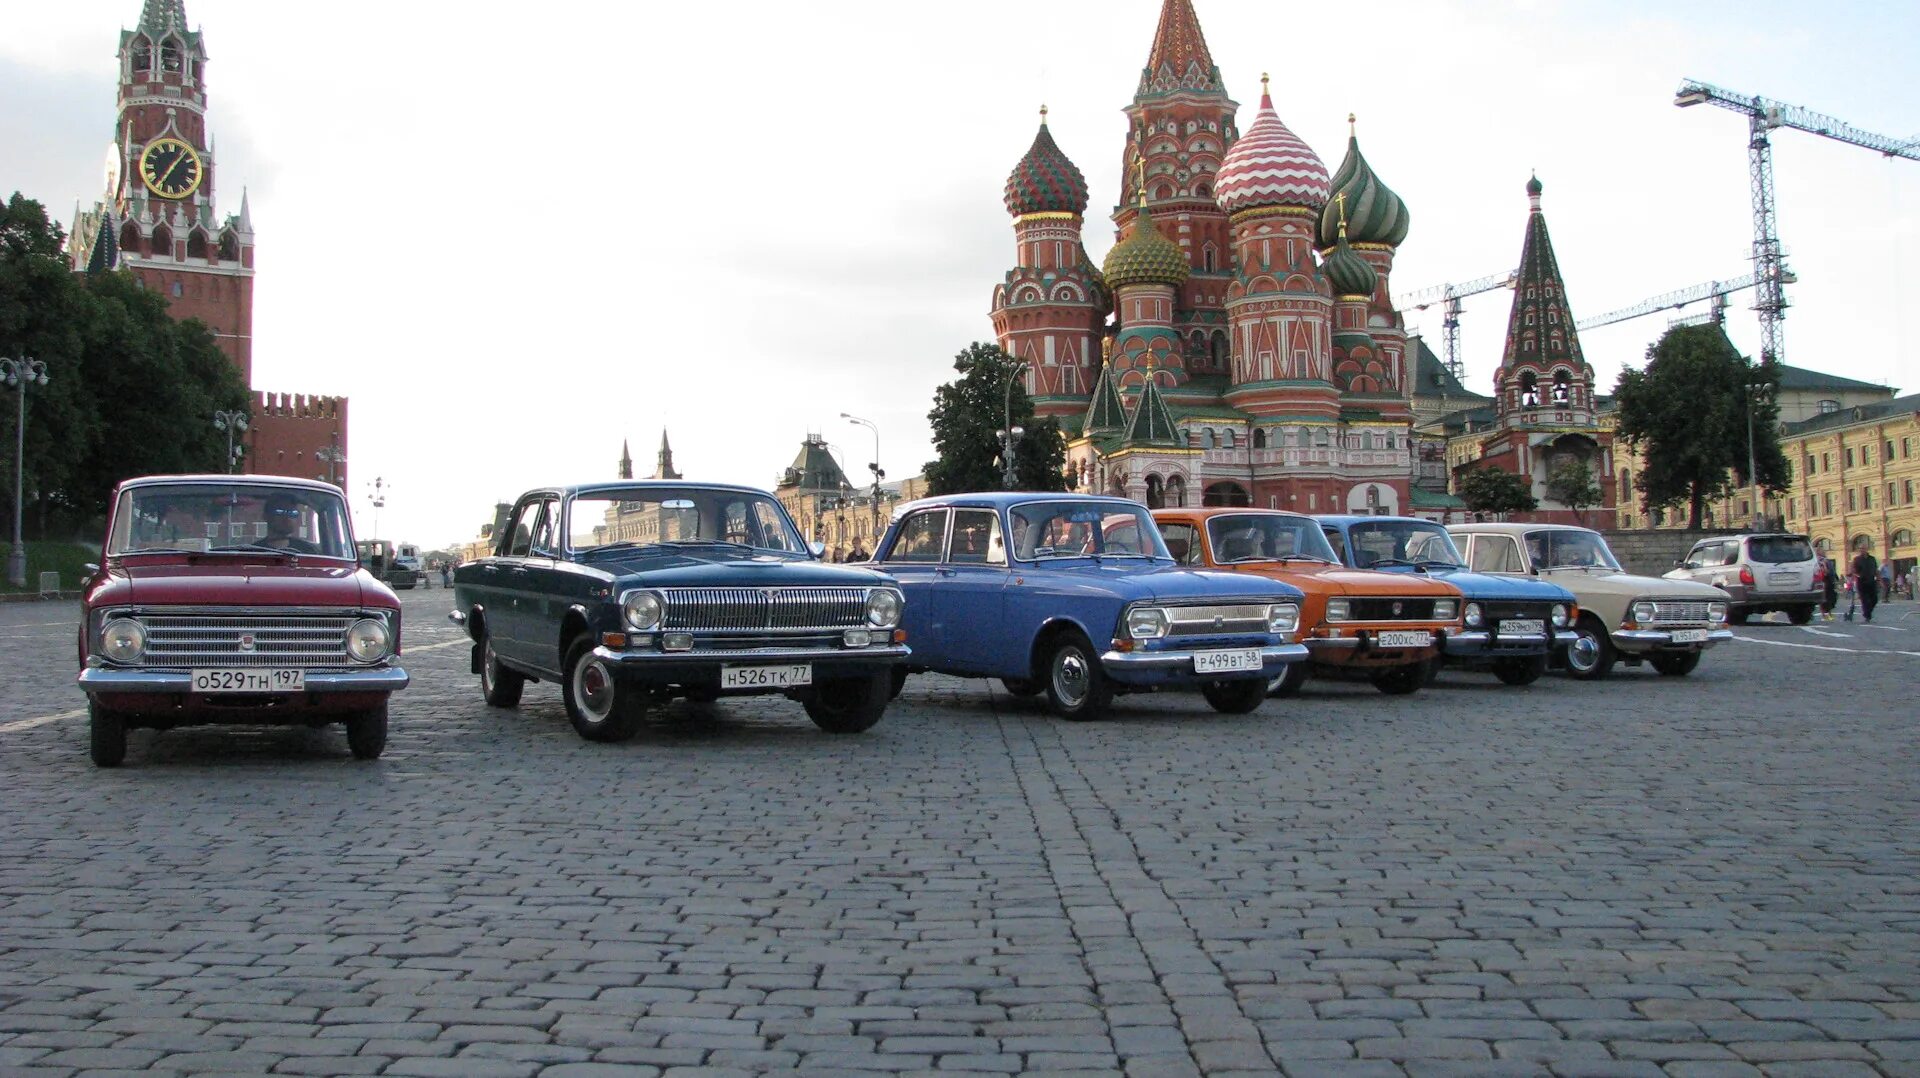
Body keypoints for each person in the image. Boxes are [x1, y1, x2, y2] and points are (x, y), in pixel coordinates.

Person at [1852, 541, 1881, 623]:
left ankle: (1868, 612)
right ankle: (1867, 615)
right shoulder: (1857, 559)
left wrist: (1879, 579)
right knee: (1864, 600)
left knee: (1874, 599)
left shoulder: (1872, 559)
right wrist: (1858, 575)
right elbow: (1854, 570)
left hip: (1871, 581)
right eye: (1860, 549)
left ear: (1867, 549)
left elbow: (1876, 570)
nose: (1862, 550)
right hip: (1861, 582)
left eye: (1863, 548)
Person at [1820, 554, 1839, 621]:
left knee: (1831, 599)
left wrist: (1836, 580)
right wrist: (1824, 565)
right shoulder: (1821, 563)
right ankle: (1825, 616)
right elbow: (1825, 573)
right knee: (1825, 600)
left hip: (1830, 583)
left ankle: (1829, 614)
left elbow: (1833, 572)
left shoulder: (1829, 562)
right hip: (1824, 583)